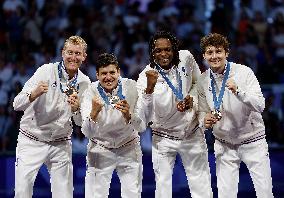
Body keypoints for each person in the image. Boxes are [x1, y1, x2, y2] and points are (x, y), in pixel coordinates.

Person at [136, 30, 213, 198]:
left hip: (191, 133)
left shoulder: (186, 57)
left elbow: (197, 84)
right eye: (158, 50)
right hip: (164, 137)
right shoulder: (144, 77)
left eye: (168, 49)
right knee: (163, 187)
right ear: (152, 52)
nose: (164, 54)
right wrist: (149, 90)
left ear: (175, 49)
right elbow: (143, 119)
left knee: (201, 184)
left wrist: (191, 98)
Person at [13, 35, 91, 198]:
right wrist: (33, 94)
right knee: (22, 192)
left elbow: (80, 122)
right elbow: (16, 104)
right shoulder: (46, 71)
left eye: (78, 53)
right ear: (63, 53)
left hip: (60, 143)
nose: (73, 57)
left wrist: (77, 109)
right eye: (70, 52)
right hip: (32, 139)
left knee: (64, 194)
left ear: (84, 57)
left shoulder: (84, 82)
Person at [197, 33, 274, 198]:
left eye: (218, 51)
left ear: (227, 53)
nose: (214, 56)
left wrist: (239, 91)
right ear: (204, 55)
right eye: (210, 52)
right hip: (224, 144)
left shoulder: (244, 72)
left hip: (252, 141)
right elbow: (201, 112)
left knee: (265, 193)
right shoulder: (202, 80)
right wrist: (204, 120)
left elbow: (260, 105)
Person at [81, 53, 147, 198]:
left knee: (132, 194)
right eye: (103, 73)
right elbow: (86, 132)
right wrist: (93, 113)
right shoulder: (89, 92)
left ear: (118, 72)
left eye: (112, 72)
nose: (108, 77)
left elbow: (142, 127)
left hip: (128, 147)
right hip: (100, 147)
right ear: (97, 75)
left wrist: (129, 116)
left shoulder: (132, 87)